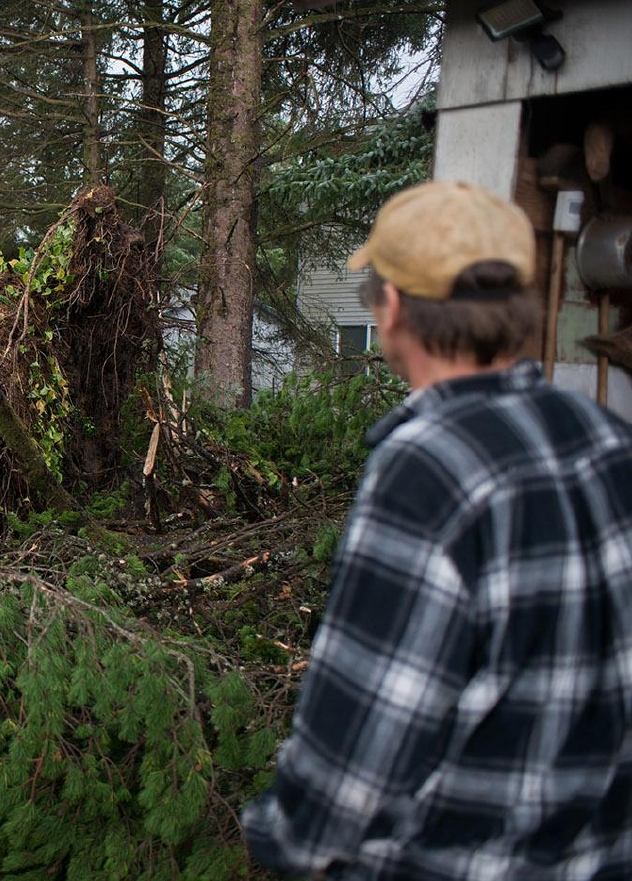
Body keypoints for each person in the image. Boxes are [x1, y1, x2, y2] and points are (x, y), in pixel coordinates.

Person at [241, 179, 632, 878]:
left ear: (391, 308)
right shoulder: (608, 438)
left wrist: (281, 836)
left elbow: (354, 762)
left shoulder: (428, 472)